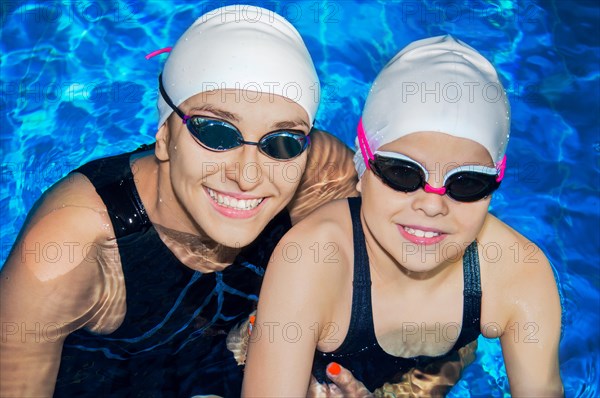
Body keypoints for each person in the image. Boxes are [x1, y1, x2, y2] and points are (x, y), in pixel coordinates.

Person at [0, 6, 360, 397]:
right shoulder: (70, 249)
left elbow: (390, 308)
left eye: (283, 140)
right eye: (217, 133)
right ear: (163, 134)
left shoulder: (321, 171)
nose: (248, 176)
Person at [242, 35, 563, 397]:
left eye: (467, 182)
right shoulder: (311, 259)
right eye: (404, 173)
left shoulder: (519, 272)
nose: (432, 204)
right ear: (361, 165)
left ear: (495, 183)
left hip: (426, 367)